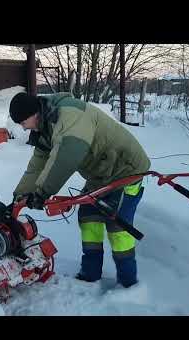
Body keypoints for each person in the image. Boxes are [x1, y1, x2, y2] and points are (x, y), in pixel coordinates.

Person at [9, 92, 150, 288]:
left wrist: (41, 193)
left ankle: (128, 284)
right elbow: (38, 164)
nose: (22, 126)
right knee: (88, 217)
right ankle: (90, 276)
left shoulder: (69, 114)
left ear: (34, 113)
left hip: (126, 169)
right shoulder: (45, 128)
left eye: (23, 121)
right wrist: (21, 195)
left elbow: (66, 158)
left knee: (118, 228)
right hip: (100, 174)